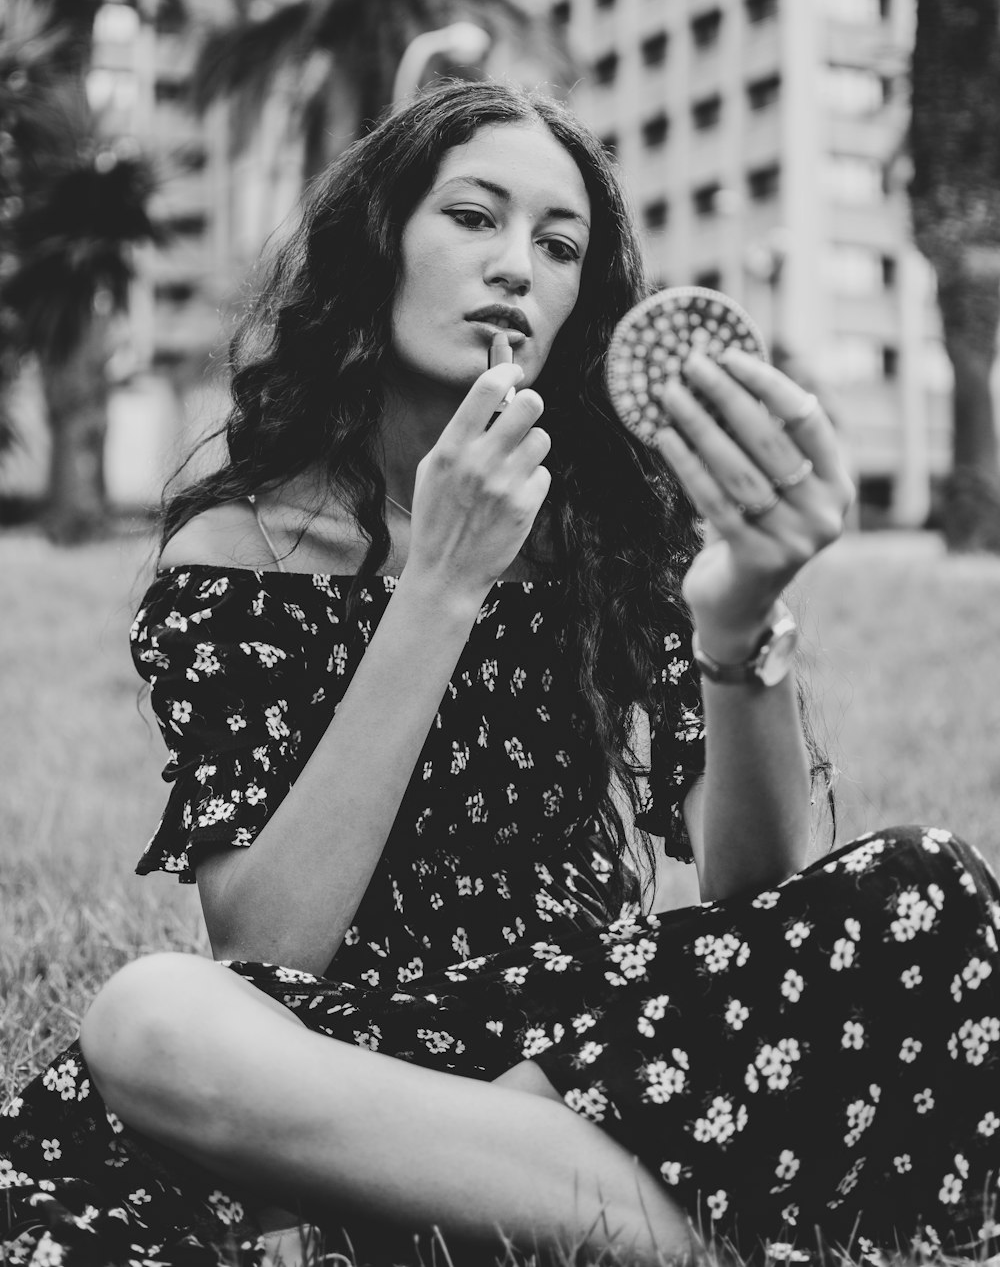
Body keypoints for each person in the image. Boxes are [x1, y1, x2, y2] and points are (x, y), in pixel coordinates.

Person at [2, 80, 998, 1267]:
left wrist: (740, 621)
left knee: (926, 887)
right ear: (377, 248)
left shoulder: (625, 536)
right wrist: (440, 586)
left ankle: (430, 1209)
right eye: (472, 218)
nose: (517, 264)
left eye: (559, 243)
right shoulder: (235, 556)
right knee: (153, 1019)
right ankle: (663, 1226)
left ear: (583, 302)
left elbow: (760, 902)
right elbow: (268, 946)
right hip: (339, 1057)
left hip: (596, 1027)